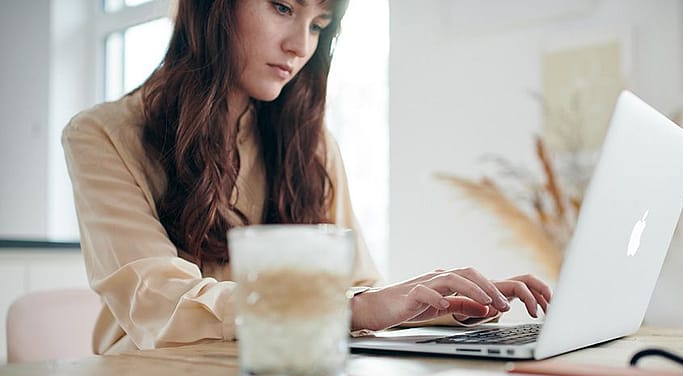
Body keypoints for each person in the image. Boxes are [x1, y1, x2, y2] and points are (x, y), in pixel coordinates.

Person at [63, 0, 552, 355]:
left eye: (318, 23)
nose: (300, 46)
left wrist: (447, 301)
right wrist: (349, 309)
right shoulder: (102, 135)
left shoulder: (311, 143)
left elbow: (358, 286)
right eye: (281, 7)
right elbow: (159, 304)